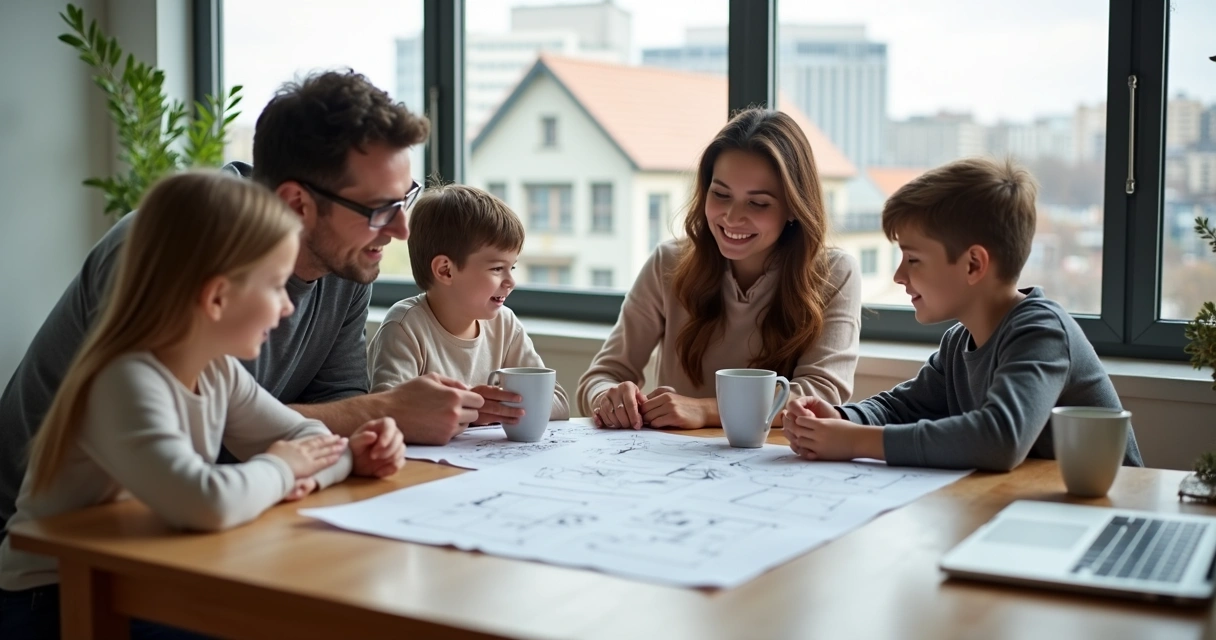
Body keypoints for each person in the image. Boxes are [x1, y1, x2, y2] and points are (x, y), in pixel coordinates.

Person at [0, 70, 486, 541]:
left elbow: (314, 433)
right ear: (297, 204)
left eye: (407, 200)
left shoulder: (347, 258)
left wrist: (333, 448)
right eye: (381, 208)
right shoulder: (174, 254)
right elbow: (202, 474)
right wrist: (375, 413)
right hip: (68, 557)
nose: (402, 230)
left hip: (197, 531)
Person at [0, 172, 406, 638]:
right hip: (51, 599)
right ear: (216, 298)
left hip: (144, 569)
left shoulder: (217, 370)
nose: (287, 307)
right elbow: (207, 502)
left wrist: (351, 454)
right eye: (275, 286)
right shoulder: (121, 381)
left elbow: (309, 440)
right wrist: (279, 470)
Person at [783, 157, 1144, 472]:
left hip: (1112, 524)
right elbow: (902, 407)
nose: (898, 276)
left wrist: (856, 442)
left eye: (913, 259)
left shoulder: (1041, 331)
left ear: (973, 264)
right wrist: (843, 418)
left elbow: (999, 438)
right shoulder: (960, 342)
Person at [577, 108, 862, 430]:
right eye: (721, 194)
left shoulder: (835, 273)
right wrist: (610, 398)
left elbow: (823, 395)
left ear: (794, 207)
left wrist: (705, 411)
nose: (731, 216)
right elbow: (601, 376)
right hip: (671, 462)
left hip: (775, 462)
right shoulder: (668, 262)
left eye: (758, 203)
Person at [367, 185, 570, 426]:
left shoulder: (506, 324)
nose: (511, 281)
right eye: (497, 268)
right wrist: (476, 408)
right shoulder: (405, 326)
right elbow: (386, 414)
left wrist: (490, 408)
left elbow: (557, 401)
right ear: (446, 270)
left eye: (512, 267)